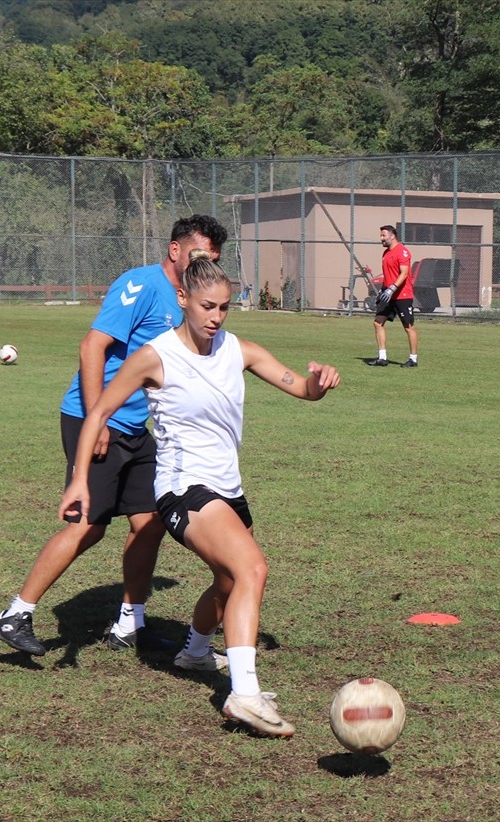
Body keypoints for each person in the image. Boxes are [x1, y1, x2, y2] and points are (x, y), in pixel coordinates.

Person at [59, 252, 340, 737]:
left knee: (229, 583)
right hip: (181, 488)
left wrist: (320, 381)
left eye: (225, 307)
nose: (216, 317)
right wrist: (80, 480)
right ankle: (244, 695)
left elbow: (302, 389)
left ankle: (194, 651)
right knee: (252, 568)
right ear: (183, 299)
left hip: (228, 487)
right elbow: (99, 413)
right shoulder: (156, 356)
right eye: (207, 306)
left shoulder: (240, 350)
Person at [0, 215, 229, 656]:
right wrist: (95, 421)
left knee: (152, 521)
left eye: (212, 259)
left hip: (136, 429)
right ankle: (16, 613)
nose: (204, 264)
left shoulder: (189, 299)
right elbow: (92, 347)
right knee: (89, 525)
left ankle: (128, 624)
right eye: (198, 254)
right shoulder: (139, 285)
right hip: (96, 420)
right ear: (175, 250)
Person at [368, 224, 419, 367]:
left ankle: (413, 359)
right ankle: (382, 358)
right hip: (388, 295)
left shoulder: (402, 252)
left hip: (402, 295)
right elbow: (389, 275)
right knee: (377, 323)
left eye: (384, 235)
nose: (381, 238)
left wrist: (392, 288)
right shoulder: (386, 253)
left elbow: (404, 273)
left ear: (392, 235)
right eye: (381, 236)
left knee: (408, 327)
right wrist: (384, 290)